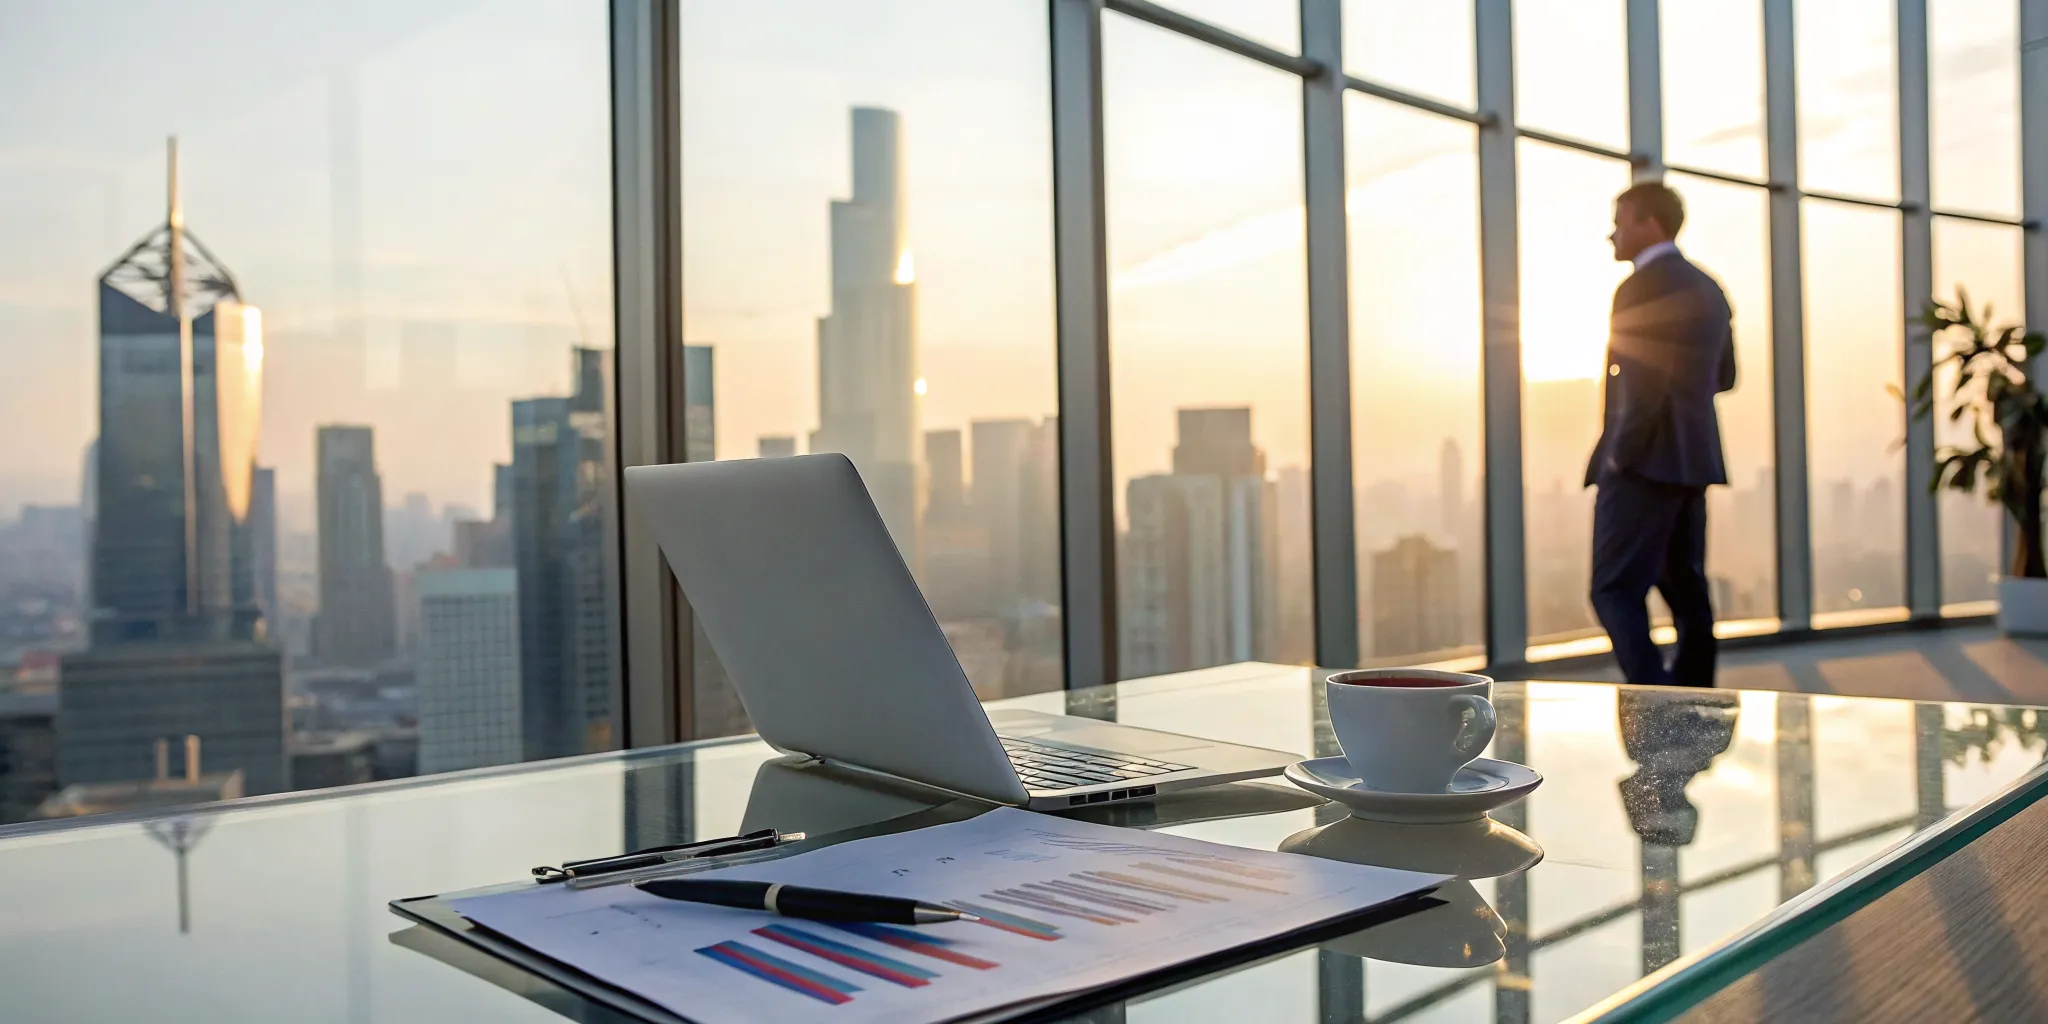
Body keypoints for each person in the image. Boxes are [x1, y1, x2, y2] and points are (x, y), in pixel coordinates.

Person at [1586, 182, 1736, 688]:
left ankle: (1658, 703)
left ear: (1649, 223)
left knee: (1613, 589)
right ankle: (1696, 707)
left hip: (1643, 462)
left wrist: (1619, 456)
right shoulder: (1709, 287)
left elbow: (1641, 384)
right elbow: (1727, 377)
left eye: (1620, 220)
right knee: (1686, 590)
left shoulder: (1638, 289)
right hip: (1692, 461)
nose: (1612, 234)